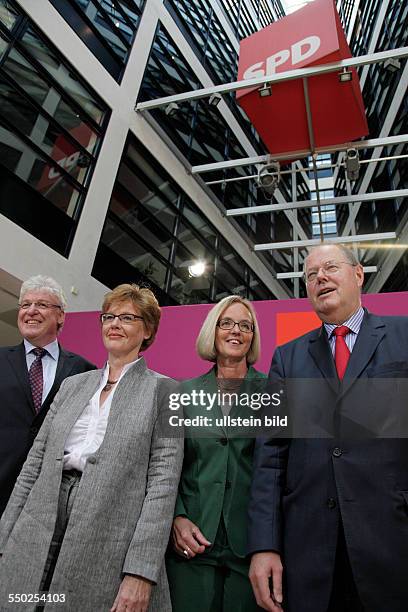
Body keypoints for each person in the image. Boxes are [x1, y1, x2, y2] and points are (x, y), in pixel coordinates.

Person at [0, 283, 183, 612]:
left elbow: (163, 484)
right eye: (109, 316)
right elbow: (33, 465)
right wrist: (4, 536)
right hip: (39, 517)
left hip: (107, 526)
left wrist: (141, 571)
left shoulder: (167, 390)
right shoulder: (74, 383)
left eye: (127, 317)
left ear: (148, 330)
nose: (114, 323)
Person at [247, 244, 408, 612]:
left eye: (330, 267)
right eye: (310, 275)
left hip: (393, 543)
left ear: (358, 275)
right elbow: (270, 458)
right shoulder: (287, 358)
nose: (320, 278)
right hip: (309, 556)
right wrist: (264, 546)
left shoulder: (403, 337)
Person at [167, 295, 266, 612]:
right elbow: (167, 465)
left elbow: (282, 470)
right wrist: (177, 517)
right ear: (213, 331)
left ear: (252, 337)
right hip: (192, 542)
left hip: (250, 546)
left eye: (245, 325)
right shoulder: (182, 392)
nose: (236, 331)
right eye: (227, 323)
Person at [0, 274, 95, 517]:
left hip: (44, 500)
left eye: (41, 305)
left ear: (61, 315)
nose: (31, 311)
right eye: (25, 305)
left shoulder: (85, 372)